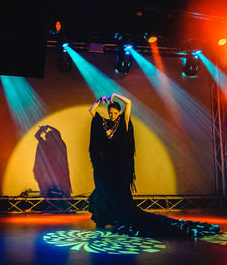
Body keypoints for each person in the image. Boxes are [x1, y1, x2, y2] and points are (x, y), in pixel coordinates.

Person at [88, 93, 220, 238]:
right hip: (106, 167)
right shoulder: (105, 125)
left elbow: (129, 103)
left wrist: (114, 95)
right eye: (110, 113)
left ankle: (120, 218)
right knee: (104, 191)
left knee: (120, 195)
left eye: (115, 113)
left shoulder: (123, 124)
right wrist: (99, 101)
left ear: (119, 113)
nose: (112, 115)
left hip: (121, 168)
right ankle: (107, 218)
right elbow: (92, 112)